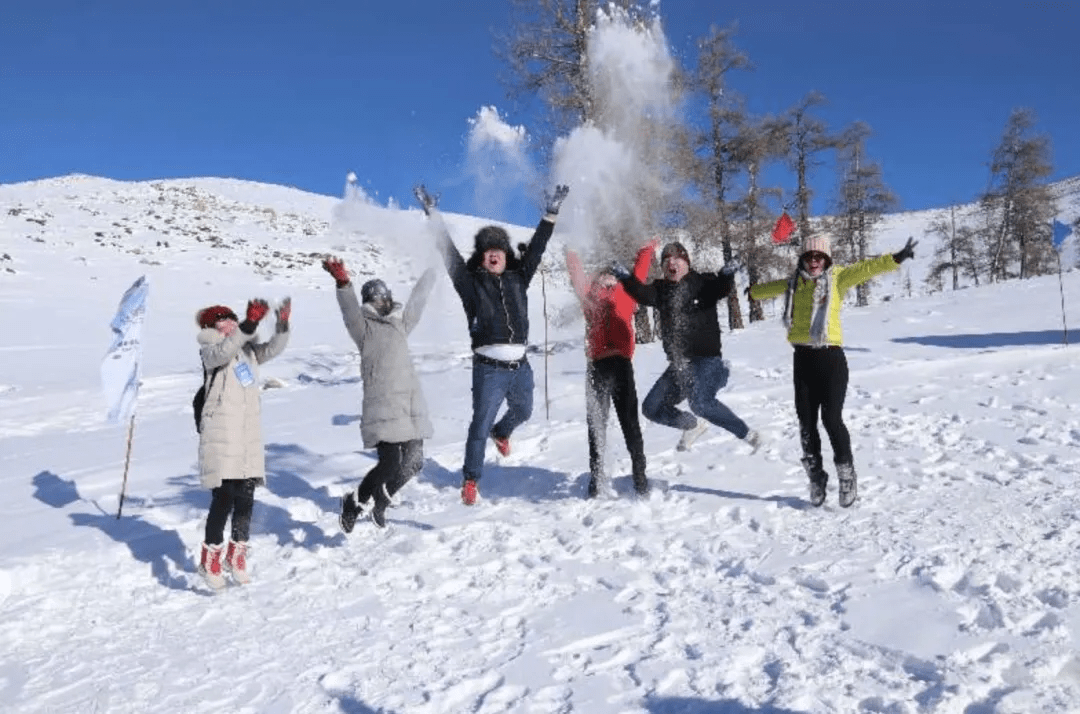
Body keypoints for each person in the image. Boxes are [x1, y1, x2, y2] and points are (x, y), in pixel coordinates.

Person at [414, 183, 569, 505]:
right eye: (488, 250)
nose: (494, 253)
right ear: (482, 259)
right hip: (489, 370)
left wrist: (551, 213)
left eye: (498, 249)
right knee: (479, 424)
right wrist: (432, 214)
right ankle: (471, 479)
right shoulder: (470, 286)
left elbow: (538, 247)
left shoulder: (518, 279)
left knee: (524, 410)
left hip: (520, 365)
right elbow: (449, 254)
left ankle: (504, 432)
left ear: (506, 255)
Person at [747, 235, 916, 508]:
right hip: (802, 360)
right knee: (806, 423)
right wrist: (753, 291)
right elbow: (769, 289)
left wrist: (896, 257)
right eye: (809, 257)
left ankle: (847, 476)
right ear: (803, 259)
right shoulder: (794, 283)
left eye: (819, 257)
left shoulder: (837, 279)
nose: (814, 261)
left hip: (831, 359)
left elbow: (866, 269)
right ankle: (816, 476)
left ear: (826, 260)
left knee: (831, 419)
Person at [322, 256, 436, 530]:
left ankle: (382, 500)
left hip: (410, 405)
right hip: (383, 407)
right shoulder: (363, 329)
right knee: (390, 465)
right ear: (367, 302)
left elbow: (417, 306)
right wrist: (343, 282)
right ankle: (356, 502)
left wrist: (428, 278)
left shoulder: (400, 323)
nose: (381, 301)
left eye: (384, 296)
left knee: (414, 463)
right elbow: (348, 310)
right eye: (374, 298)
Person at [615, 240, 761, 454]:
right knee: (651, 408)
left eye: (676, 258)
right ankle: (692, 425)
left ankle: (747, 433)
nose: (670, 263)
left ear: (686, 263)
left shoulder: (703, 282)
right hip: (679, 365)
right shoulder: (661, 289)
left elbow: (721, 287)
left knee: (700, 402)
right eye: (665, 260)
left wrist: (727, 273)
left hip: (707, 362)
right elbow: (642, 294)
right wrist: (626, 277)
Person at [195, 297, 290, 590]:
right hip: (222, 434)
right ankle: (209, 556)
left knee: (246, 497)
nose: (230, 320)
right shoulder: (210, 349)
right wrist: (248, 325)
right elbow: (224, 351)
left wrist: (282, 324)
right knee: (224, 497)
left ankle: (236, 554)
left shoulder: (247, 351)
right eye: (222, 318)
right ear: (211, 326)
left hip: (247, 435)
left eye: (232, 316)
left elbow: (272, 349)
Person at [565, 239, 657, 498]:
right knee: (596, 424)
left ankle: (639, 473)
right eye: (603, 274)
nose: (607, 278)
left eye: (611, 275)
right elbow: (576, 273)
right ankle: (596, 478)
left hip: (620, 365)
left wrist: (647, 245)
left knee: (630, 422)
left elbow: (639, 271)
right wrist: (571, 248)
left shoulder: (626, 292)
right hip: (596, 367)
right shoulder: (589, 297)